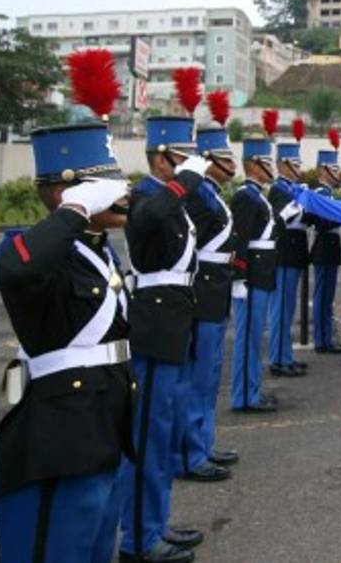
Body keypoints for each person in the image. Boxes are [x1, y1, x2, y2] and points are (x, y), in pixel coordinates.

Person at [0, 110, 133, 563]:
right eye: (101, 186)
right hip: (62, 440)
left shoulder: (96, 250)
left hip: (103, 429)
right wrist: (75, 209)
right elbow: (15, 268)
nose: (118, 194)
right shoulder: (32, 252)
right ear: (63, 192)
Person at [118, 116, 211, 562]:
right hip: (154, 326)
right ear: (160, 158)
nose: (190, 166)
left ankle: (154, 522)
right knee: (146, 436)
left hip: (174, 321)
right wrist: (187, 181)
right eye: (181, 157)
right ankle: (138, 538)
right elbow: (149, 216)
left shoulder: (170, 200)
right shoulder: (145, 195)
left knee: (162, 432)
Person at [173, 112, 239, 484]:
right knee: (196, 375)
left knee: (210, 373)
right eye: (224, 159)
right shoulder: (197, 194)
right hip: (203, 287)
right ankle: (190, 452)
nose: (231, 165)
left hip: (217, 287)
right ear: (209, 160)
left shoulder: (210, 192)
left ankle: (203, 442)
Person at [230, 137, 280, 414]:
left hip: (262, 272)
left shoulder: (257, 195)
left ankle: (252, 391)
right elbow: (240, 239)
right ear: (253, 165)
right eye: (266, 162)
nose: (270, 167)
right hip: (251, 276)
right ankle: (243, 397)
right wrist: (239, 277)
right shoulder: (245, 197)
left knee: (254, 336)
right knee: (247, 338)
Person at [268, 140, 309, 377]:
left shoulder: (292, 189)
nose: (298, 169)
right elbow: (287, 215)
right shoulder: (278, 190)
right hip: (283, 256)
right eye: (294, 164)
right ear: (283, 166)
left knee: (288, 309)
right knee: (280, 311)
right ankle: (277, 359)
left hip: (293, 256)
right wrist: (304, 200)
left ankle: (286, 356)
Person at [306, 148, 341, 354]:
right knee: (322, 296)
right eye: (333, 169)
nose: (336, 174)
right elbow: (322, 222)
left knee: (328, 296)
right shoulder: (321, 194)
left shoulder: (328, 194)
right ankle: (322, 340)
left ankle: (325, 338)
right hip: (324, 245)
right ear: (323, 171)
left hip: (331, 246)